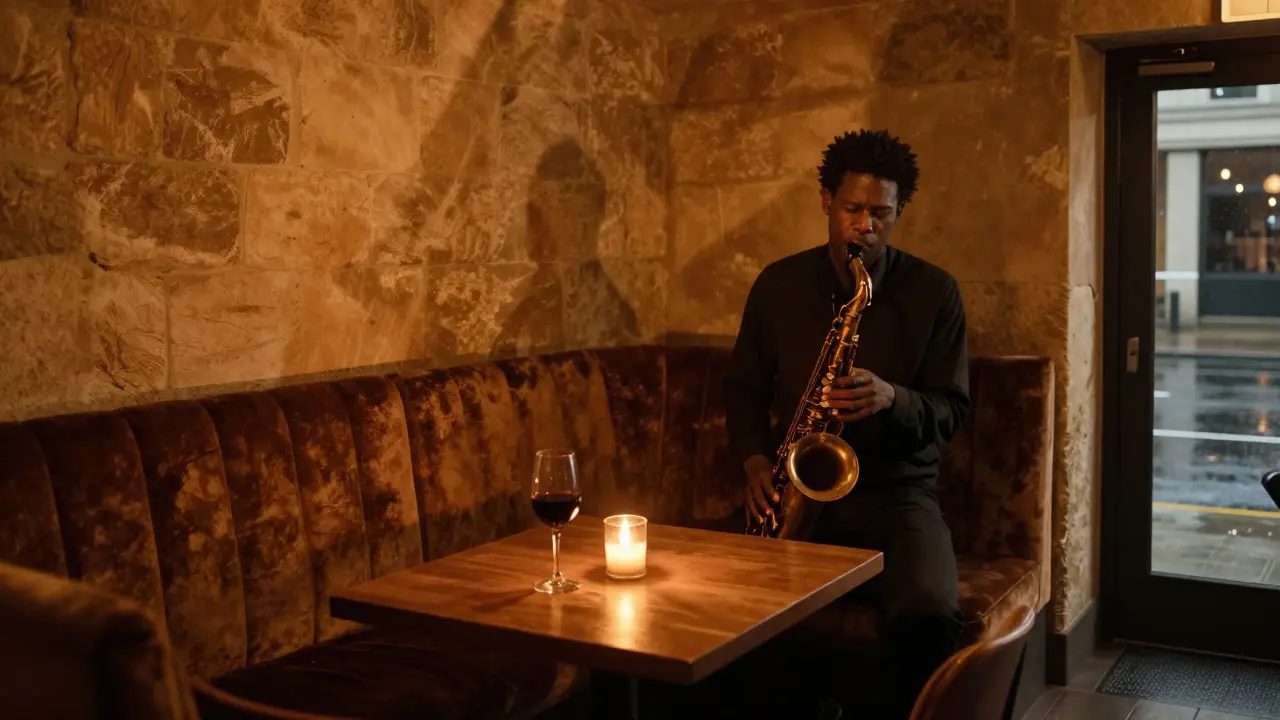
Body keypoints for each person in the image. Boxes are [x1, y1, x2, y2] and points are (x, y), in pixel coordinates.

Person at [723, 128, 970, 718]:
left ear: (899, 211)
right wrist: (756, 461)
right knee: (724, 606)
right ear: (826, 202)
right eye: (852, 209)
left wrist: (894, 398)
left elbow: (953, 410)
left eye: (880, 212)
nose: (865, 226)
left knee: (930, 613)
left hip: (897, 493)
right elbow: (743, 387)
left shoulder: (935, 292)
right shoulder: (778, 285)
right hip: (796, 490)